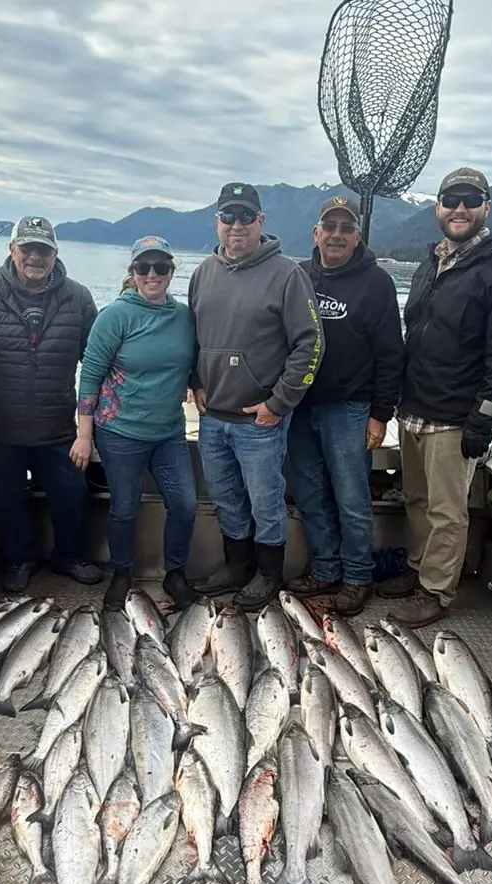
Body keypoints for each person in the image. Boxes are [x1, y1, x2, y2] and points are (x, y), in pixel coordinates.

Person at [382, 167, 492, 627]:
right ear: (438, 207)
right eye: (451, 199)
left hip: (455, 417)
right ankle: (416, 569)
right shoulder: (432, 262)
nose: (460, 208)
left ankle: (436, 592)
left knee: (448, 512)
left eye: (471, 200)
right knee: (416, 500)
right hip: (412, 410)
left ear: (487, 207)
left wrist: (483, 418)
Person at [188, 182, 323, 611]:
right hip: (213, 417)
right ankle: (237, 566)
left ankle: (269, 573)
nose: (237, 225)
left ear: (261, 222)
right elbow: (190, 337)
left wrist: (278, 403)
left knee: (266, 502)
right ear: (217, 222)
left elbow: (311, 343)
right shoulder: (202, 273)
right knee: (226, 497)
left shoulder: (288, 274)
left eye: (246, 216)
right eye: (229, 216)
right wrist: (195, 381)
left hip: (260, 420)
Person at [0, 215, 103, 593]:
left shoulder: (78, 296)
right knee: (6, 500)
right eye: (28, 249)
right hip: (0, 426)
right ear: (12, 250)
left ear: (55, 254)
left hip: (57, 425)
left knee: (73, 496)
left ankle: (68, 556)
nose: (35, 257)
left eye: (43, 250)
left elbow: (95, 360)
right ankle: (19, 558)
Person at [284, 196, 404, 616]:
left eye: (345, 228)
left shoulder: (377, 283)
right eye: (328, 226)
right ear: (315, 233)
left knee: (352, 497)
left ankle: (357, 576)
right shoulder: (296, 275)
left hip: (350, 408)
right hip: (298, 408)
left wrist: (381, 413)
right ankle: (324, 568)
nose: (336, 235)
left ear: (358, 236)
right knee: (311, 494)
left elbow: (391, 352)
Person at [72, 236, 201, 611]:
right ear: (132, 273)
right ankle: (122, 573)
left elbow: (191, 362)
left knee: (185, 505)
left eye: (161, 267)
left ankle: (175, 572)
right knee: (124, 507)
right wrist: (84, 434)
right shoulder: (114, 316)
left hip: (169, 432)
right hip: (120, 432)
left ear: (172, 273)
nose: (152, 274)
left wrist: (197, 385)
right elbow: (91, 374)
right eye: (143, 267)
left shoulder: (183, 317)